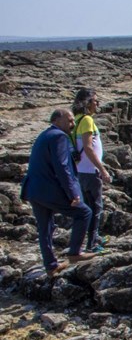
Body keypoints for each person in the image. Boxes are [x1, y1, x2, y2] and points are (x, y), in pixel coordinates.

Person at [19, 109, 96, 277]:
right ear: (57, 120)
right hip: (48, 190)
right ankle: (75, 252)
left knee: (45, 227)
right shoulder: (59, 137)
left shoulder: (44, 135)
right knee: (84, 212)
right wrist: (73, 193)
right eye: (69, 120)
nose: (73, 124)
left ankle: (51, 265)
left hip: (33, 190)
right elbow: (62, 167)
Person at [71, 88, 112, 253]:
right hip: (90, 171)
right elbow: (88, 148)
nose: (98, 104)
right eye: (95, 101)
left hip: (80, 170)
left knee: (87, 207)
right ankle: (92, 243)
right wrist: (102, 170)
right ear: (87, 103)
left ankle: (89, 240)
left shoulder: (77, 120)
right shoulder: (87, 120)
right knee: (95, 207)